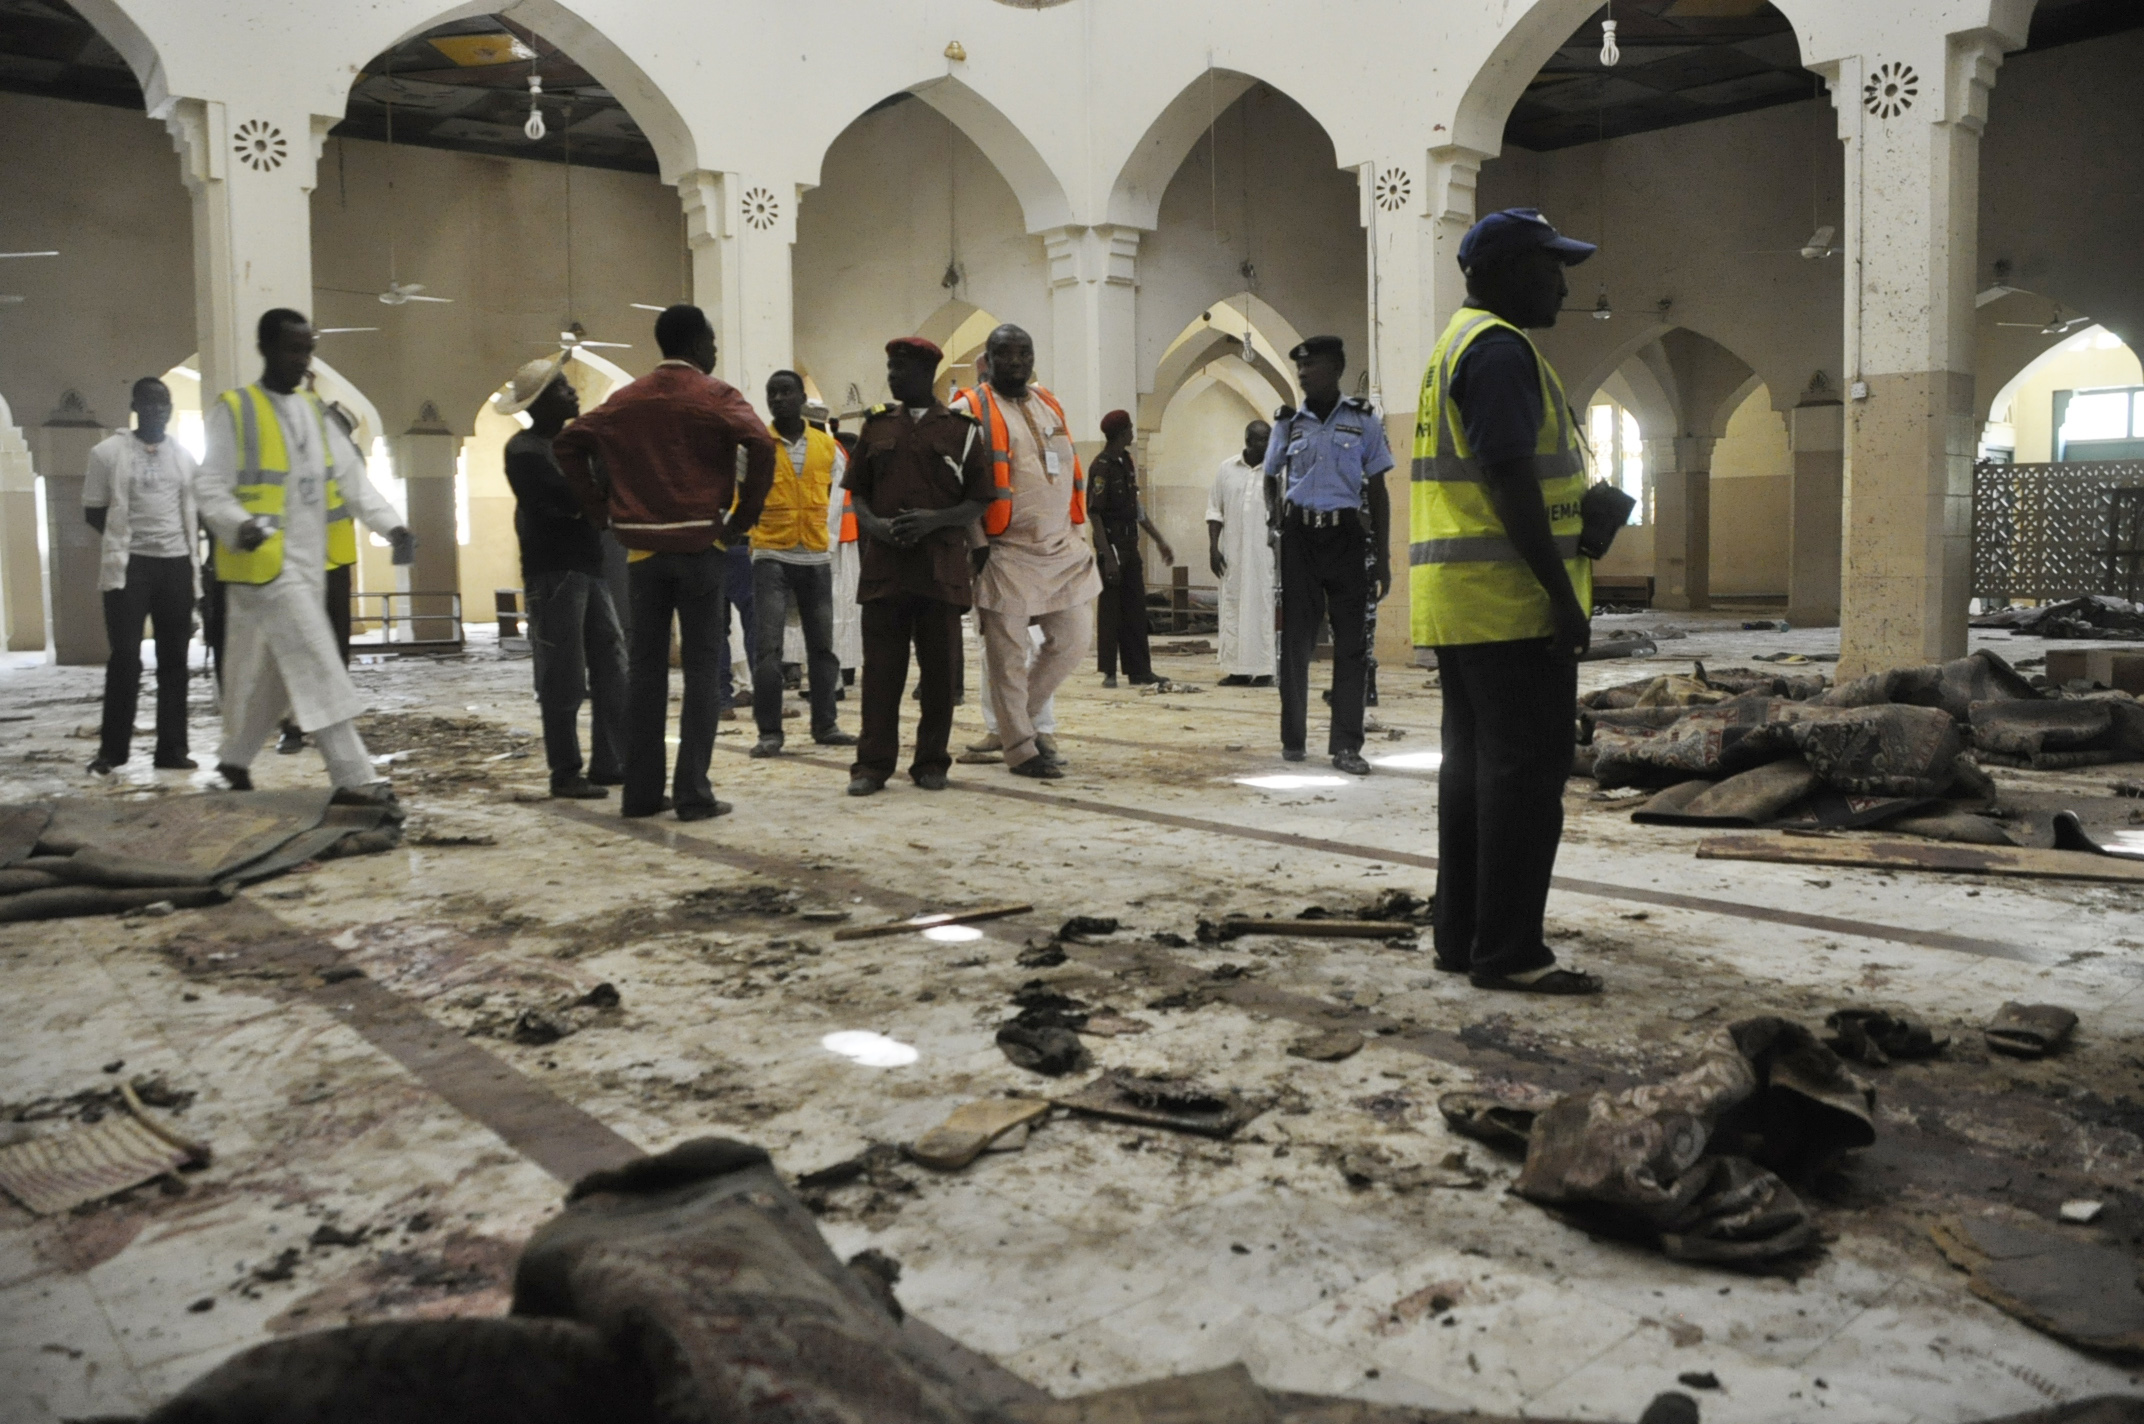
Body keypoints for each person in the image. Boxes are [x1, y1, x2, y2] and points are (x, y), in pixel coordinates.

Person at [1415, 207, 1601, 996]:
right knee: (1524, 780)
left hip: (1465, 602)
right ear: (1496, 272)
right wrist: (1563, 600)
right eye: (1548, 265)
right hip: (1509, 603)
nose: (1563, 282)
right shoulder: (1496, 350)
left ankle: (1464, 938)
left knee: (1474, 774)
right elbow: (1506, 476)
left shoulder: (1461, 344)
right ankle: (1511, 952)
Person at [555, 304, 774, 821]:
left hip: (643, 552)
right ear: (697, 343)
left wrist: (598, 506)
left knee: (646, 673)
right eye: (713, 342)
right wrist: (745, 515)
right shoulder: (715, 395)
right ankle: (694, 793)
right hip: (701, 546)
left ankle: (642, 794)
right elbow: (760, 443)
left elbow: (568, 442)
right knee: (701, 673)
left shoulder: (625, 399)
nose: (716, 350)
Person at [193, 309, 410, 805]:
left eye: (308, 348)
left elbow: (353, 484)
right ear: (266, 348)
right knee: (317, 661)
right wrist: (234, 523)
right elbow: (208, 483)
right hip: (263, 566)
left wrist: (392, 525)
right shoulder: (236, 408)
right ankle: (354, 777)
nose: (303, 359)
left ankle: (234, 761)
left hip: (308, 568)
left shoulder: (315, 413)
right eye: (294, 348)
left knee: (278, 674)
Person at [842, 337, 993, 795]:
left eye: (900, 369)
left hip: (939, 569)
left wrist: (934, 521)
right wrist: (875, 526)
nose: (892, 376)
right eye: (890, 368)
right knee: (881, 674)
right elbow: (858, 493)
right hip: (886, 568)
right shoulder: (876, 426)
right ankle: (872, 765)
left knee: (940, 674)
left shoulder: (963, 431)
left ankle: (931, 762)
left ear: (927, 374)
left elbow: (979, 499)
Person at [952, 325, 1099, 781]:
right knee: (1007, 655)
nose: (1015, 362)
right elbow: (954, 484)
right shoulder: (967, 410)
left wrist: (1079, 531)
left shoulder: (1048, 402)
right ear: (988, 361)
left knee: (1073, 640)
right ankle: (1019, 747)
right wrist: (976, 546)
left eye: (1023, 353)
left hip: (1060, 547)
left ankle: (1016, 722)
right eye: (1004, 354)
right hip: (1003, 549)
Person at [498, 356, 628, 799]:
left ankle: (610, 762)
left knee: (612, 666)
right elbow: (567, 499)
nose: (573, 393)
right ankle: (566, 771)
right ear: (538, 403)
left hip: (590, 566)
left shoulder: (578, 447)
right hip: (552, 571)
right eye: (562, 389)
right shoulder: (523, 450)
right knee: (562, 673)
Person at [1265, 336, 1392, 776]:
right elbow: (1269, 475)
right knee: (1295, 642)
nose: (1302, 374)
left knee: (1352, 644)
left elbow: (1378, 490)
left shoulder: (1363, 421)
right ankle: (1293, 739)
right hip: (1300, 538)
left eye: (1311, 366)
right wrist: (1275, 523)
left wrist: (1385, 556)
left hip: (1346, 540)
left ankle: (1346, 746)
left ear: (1336, 368)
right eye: (1299, 368)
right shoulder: (1288, 422)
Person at [83, 376, 201, 775]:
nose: (158, 412)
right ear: (134, 407)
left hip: (176, 565)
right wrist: (127, 544)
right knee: (125, 659)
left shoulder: (184, 457)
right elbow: (94, 510)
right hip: (130, 567)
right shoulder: (108, 453)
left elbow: (196, 513)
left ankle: (171, 750)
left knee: (174, 660)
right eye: (149, 405)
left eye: (164, 405)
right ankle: (112, 752)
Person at [748, 371, 856, 757]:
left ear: (800, 398)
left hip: (814, 552)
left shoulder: (826, 447)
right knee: (768, 649)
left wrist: (828, 542)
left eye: (785, 392)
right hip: (770, 553)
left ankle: (825, 724)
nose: (778, 399)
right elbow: (740, 493)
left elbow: (838, 497)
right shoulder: (757, 444)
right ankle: (770, 732)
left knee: (822, 646)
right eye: (771, 393)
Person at [1088, 410, 1173, 688]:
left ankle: (1139, 670)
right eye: (1130, 429)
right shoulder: (1101, 466)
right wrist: (1107, 556)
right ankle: (1109, 672)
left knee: (1136, 609)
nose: (1133, 433)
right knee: (1111, 610)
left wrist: (1159, 540)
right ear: (1121, 433)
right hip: (1111, 546)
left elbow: (1137, 509)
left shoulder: (1126, 462)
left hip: (1129, 544)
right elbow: (1095, 514)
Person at [1205, 419, 1276, 687]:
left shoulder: (1276, 471)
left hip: (1264, 556)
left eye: (1270, 439)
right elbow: (1214, 511)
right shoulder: (1227, 469)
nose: (1268, 445)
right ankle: (1237, 670)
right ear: (1248, 441)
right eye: (1263, 440)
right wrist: (1214, 547)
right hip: (1233, 555)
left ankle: (1265, 668)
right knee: (1233, 605)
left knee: (1263, 607)